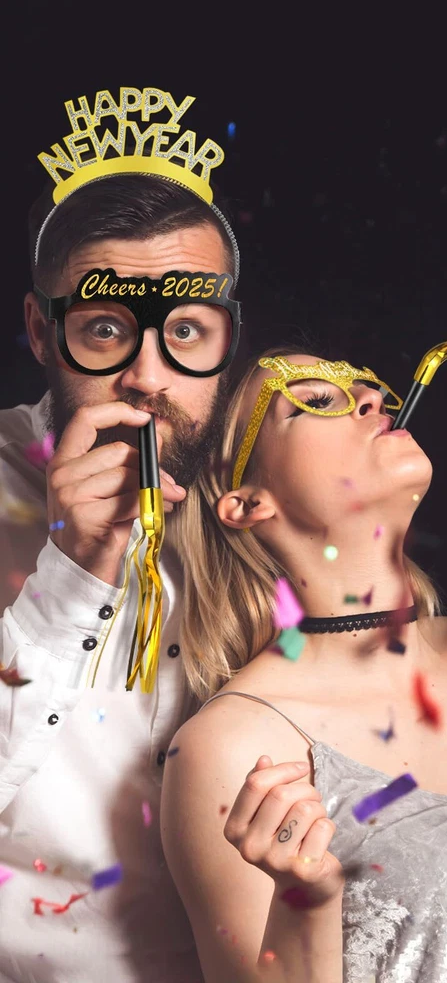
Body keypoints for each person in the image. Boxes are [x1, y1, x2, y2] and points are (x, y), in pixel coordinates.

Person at [159, 350, 447, 982]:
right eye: (315, 401)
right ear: (247, 503)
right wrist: (306, 905)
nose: (371, 399)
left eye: (369, 387)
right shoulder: (231, 748)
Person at [0, 93, 242, 981]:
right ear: (42, 331)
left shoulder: (262, 500)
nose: (147, 375)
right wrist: (70, 573)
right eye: (106, 328)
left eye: (185, 332)